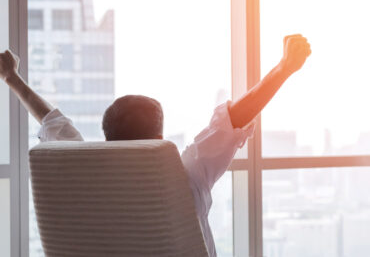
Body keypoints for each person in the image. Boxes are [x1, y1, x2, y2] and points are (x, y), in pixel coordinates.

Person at [0, 34, 311, 256]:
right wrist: (283, 68)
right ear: (160, 140)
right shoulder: (185, 176)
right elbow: (232, 120)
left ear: (107, 138)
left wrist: (12, 78)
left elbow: (51, 122)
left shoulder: (80, 171)